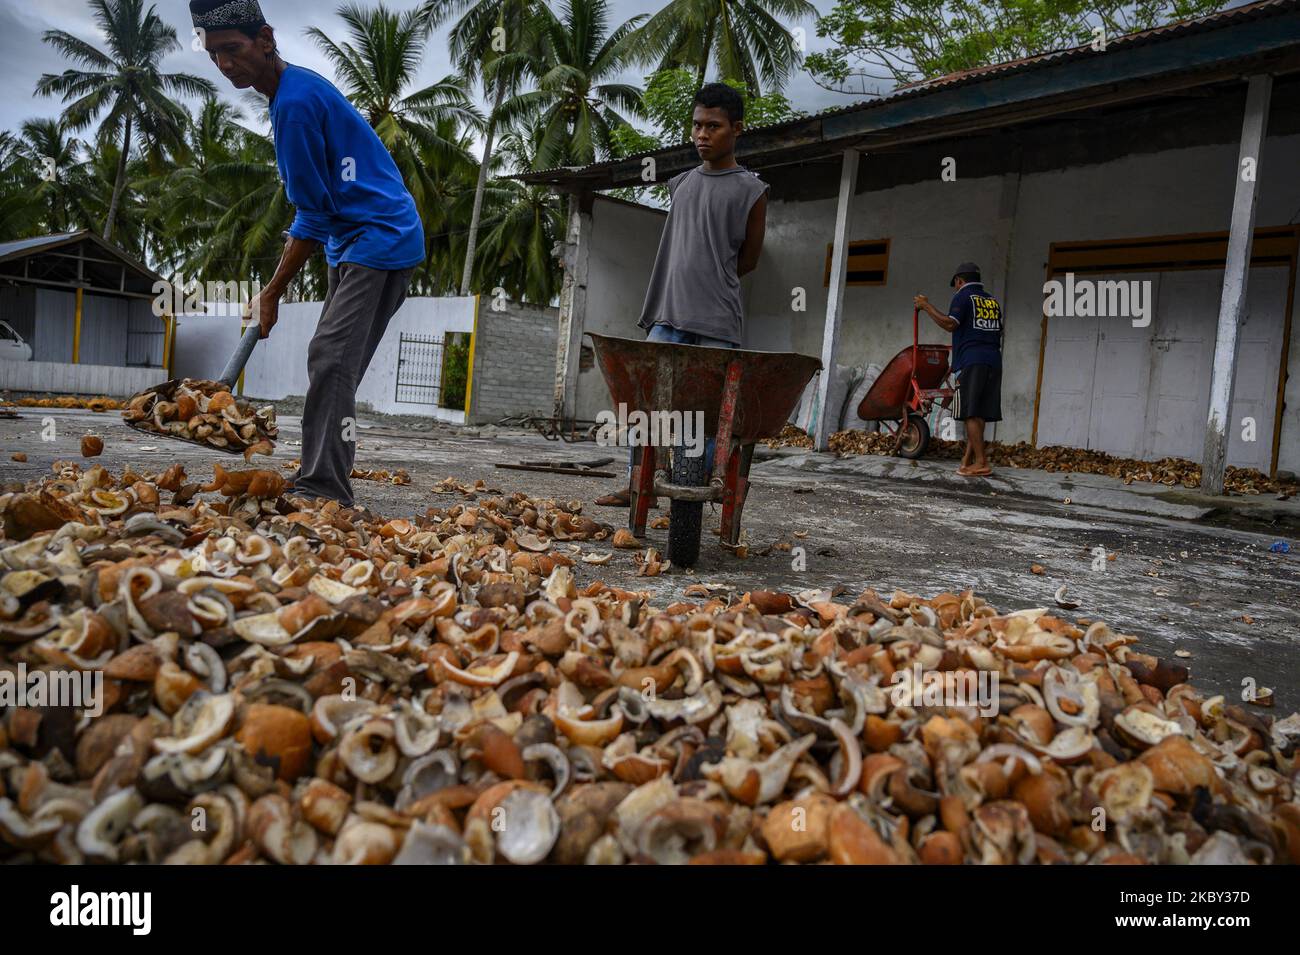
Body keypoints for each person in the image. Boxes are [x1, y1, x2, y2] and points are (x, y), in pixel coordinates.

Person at [191, 0, 424, 508]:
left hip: (381, 235)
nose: (226, 64)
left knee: (330, 358)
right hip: (351, 239)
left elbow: (311, 216)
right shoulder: (290, 91)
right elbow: (316, 211)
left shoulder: (295, 103)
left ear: (266, 38)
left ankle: (324, 487)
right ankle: (319, 475)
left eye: (233, 49)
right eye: (214, 56)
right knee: (334, 365)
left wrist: (272, 292)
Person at [597, 82, 769, 507]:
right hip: (668, 316)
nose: (702, 134)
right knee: (643, 407)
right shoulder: (680, 185)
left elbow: (748, 260)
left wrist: (710, 283)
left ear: (737, 130)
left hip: (717, 321)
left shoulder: (752, 191)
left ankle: (696, 495)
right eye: (696, 125)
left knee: (708, 419)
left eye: (713, 126)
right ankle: (641, 485)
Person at [914, 262, 1003, 476]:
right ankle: (967, 461)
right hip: (993, 361)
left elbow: (950, 324)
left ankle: (981, 462)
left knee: (970, 413)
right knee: (979, 413)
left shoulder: (963, 296)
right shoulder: (992, 301)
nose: (955, 287)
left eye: (955, 284)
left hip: (971, 361)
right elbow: (999, 331)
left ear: (959, 281)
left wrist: (925, 306)